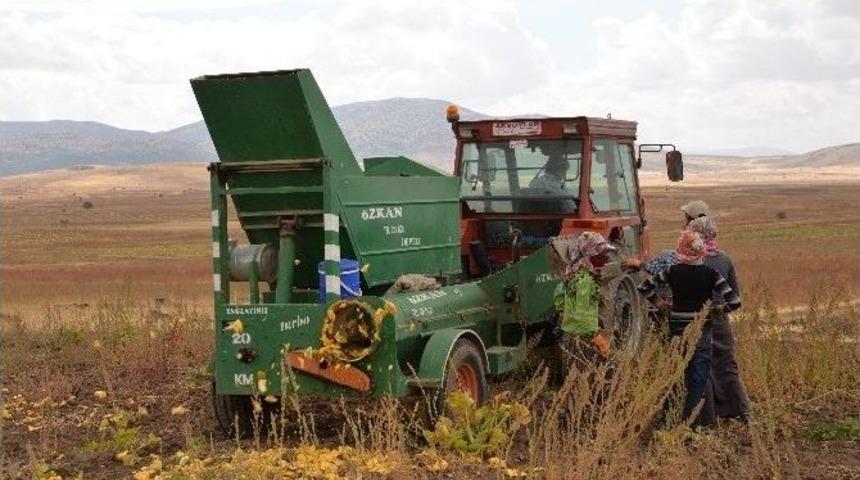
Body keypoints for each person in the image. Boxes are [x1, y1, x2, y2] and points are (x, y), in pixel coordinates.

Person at [638, 229, 741, 427]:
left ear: (681, 249)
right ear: (701, 251)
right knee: (698, 378)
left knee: (676, 375)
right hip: (701, 331)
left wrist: (661, 305)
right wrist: (716, 310)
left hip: (676, 331)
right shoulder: (712, 274)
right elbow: (735, 301)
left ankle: (671, 420)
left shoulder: (672, 271)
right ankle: (692, 423)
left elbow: (644, 287)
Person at [688, 216, 751, 422]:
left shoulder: (693, 262)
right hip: (721, 321)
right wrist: (720, 310)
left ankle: (708, 419)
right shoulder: (724, 259)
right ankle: (743, 412)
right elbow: (735, 297)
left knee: (702, 369)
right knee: (727, 366)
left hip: (699, 321)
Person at [550, 232, 616, 363]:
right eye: (601, 255)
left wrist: (566, 315)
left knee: (573, 373)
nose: (605, 259)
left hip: (571, 335)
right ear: (589, 255)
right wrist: (597, 338)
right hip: (584, 338)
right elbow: (582, 314)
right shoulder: (585, 280)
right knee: (584, 374)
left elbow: (558, 297)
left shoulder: (572, 272)